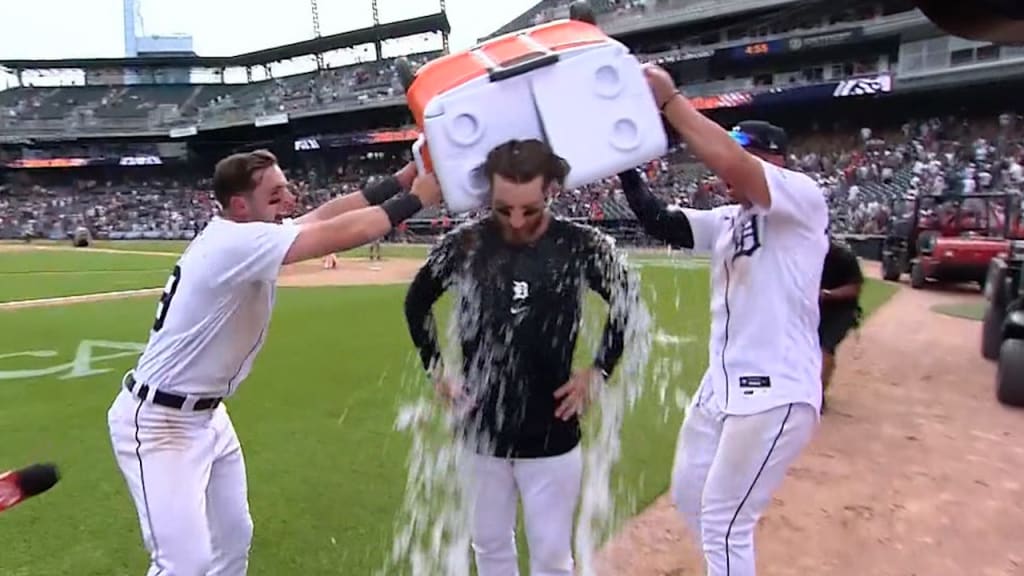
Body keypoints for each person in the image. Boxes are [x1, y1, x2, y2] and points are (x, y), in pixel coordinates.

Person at [106, 149, 441, 576]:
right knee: (184, 563)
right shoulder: (236, 242)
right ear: (241, 205)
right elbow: (337, 232)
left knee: (233, 538)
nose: (289, 198)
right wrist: (417, 198)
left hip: (206, 416)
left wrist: (403, 177)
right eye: (276, 193)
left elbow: (325, 214)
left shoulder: (246, 233)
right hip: (159, 423)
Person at [619, 64, 829, 576]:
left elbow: (731, 161)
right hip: (723, 385)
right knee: (692, 496)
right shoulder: (729, 220)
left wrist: (671, 104)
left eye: (745, 156)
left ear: (773, 161)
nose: (721, 174)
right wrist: (623, 161)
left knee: (723, 521)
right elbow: (658, 219)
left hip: (776, 387)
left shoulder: (800, 197)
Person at [403, 138, 637, 576]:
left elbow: (628, 301)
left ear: (550, 188)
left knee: (551, 557)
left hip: (552, 430)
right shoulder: (466, 244)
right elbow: (416, 304)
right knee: (489, 546)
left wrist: (599, 369)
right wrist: (436, 368)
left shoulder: (581, 244)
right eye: (502, 208)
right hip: (481, 428)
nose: (515, 220)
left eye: (529, 209)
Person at [818, 238, 864, 409]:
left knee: (825, 348)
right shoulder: (801, 250)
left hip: (840, 310)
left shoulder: (842, 255)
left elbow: (855, 288)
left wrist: (827, 294)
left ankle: (818, 395)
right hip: (814, 308)